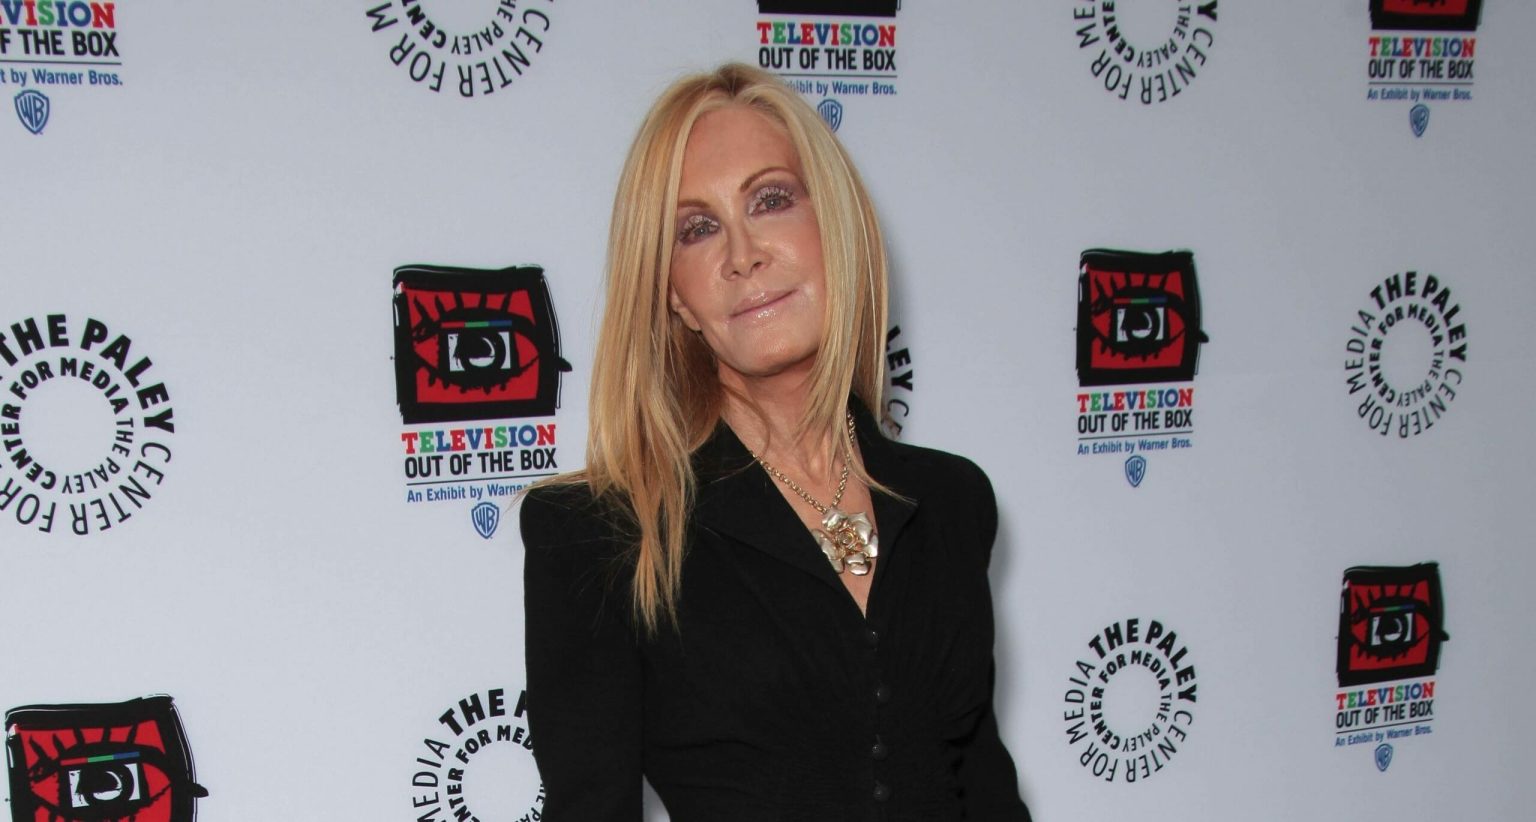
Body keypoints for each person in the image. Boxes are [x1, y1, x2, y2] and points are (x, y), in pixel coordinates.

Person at [520, 62, 1031, 821]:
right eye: (697, 229)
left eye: (770, 200)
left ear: (834, 226)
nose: (742, 254)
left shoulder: (951, 502)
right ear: (673, 294)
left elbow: (983, 788)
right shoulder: (602, 533)